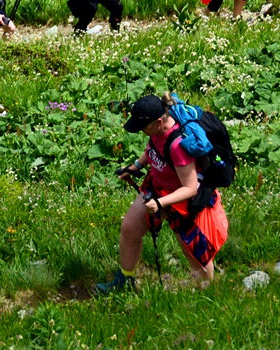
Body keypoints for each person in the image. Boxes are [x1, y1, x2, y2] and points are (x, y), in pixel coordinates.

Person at [95, 95, 229, 295]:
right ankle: (124, 280)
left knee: (195, 254)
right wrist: (135, 166)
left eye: (143, 127)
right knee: (130, 229)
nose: (141, 131)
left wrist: (159, 203)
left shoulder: (178, 146)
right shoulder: (157, 131)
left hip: (183, 203)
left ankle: (207, 293)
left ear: (158, 122)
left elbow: (190, 188)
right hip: (157, 189)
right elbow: (153, 149)